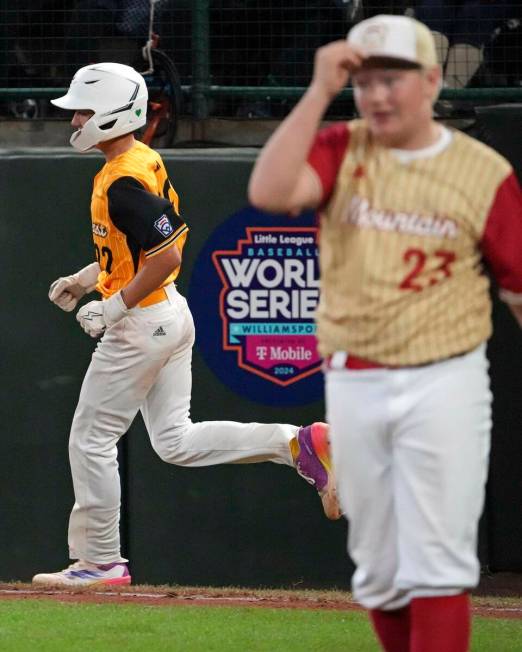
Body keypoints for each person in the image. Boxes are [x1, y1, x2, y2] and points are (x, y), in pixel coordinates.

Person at [248, 14, 522, 652]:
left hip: (445, 379)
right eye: (366, 80)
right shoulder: (341, 146)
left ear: (431, 81)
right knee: (380, 569)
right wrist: (318, 91)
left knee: (439, 559)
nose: (377, 94)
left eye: (393, 78)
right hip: (356, 379)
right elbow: (269, 189)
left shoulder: (481, 169)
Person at [32, 62, 340, 588]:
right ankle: (299, 443)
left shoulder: (122, 177)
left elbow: (168, 254)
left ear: (109, 113)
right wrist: (89, 280)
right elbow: (141, 246)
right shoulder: (139, 158)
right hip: (169, 314)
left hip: (144, 321)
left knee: (91, 440)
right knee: (175, 441)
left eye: (82, 110)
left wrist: (114, 306)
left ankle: (100, 561)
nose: (75, 120)